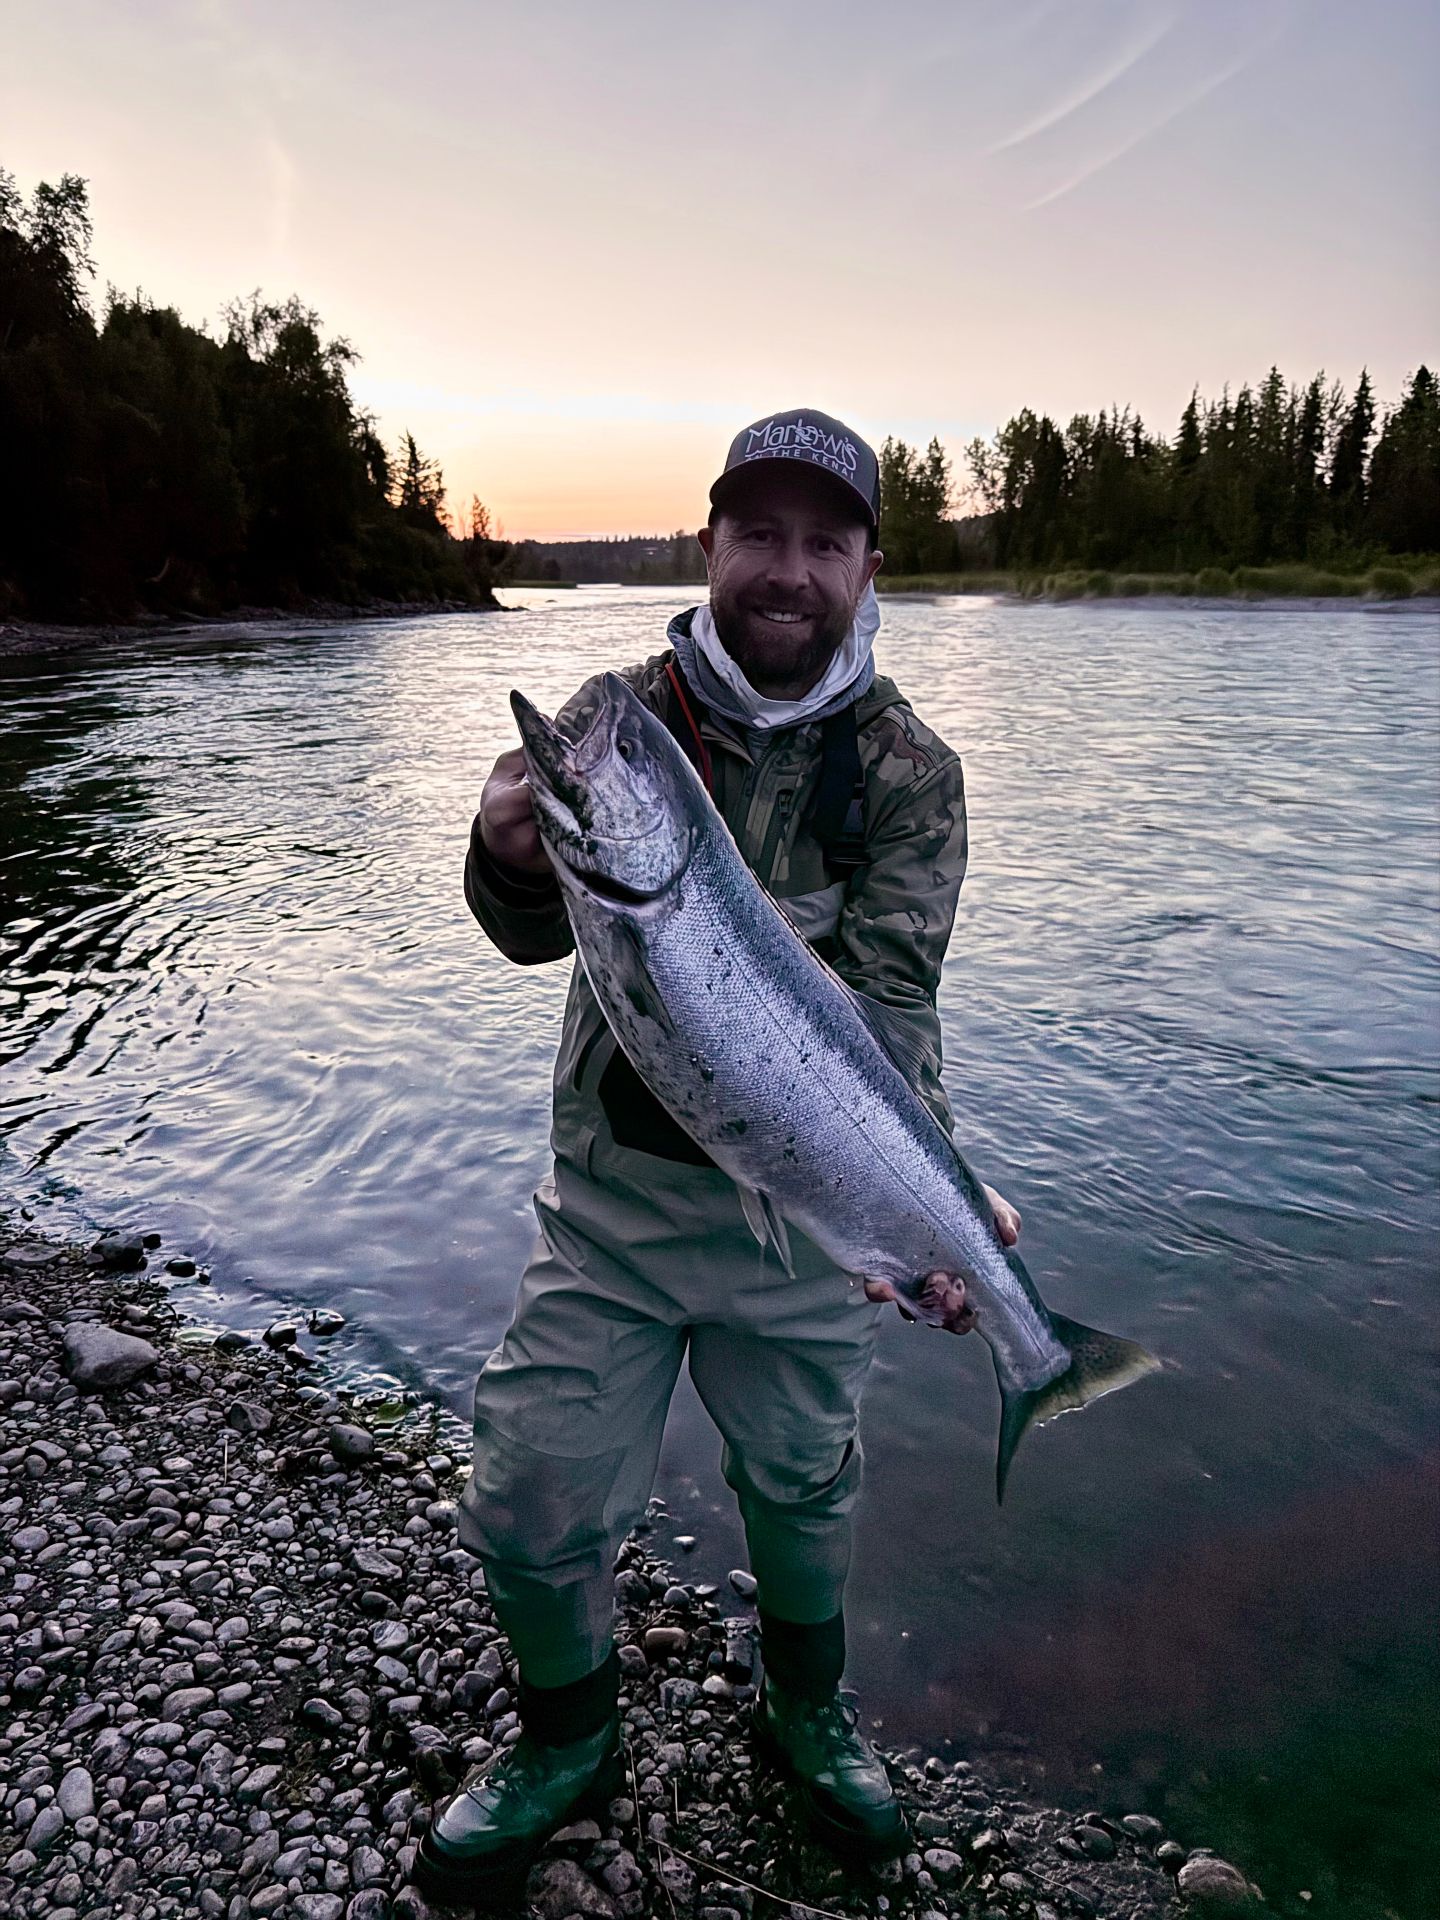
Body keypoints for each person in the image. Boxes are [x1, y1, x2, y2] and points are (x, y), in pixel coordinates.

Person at [414, 408, 1021, 1904]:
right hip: (610, 1217)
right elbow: (530, 931)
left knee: (807, 1484)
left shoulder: (908, 774)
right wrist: (502, 856)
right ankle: (568, 1743)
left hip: (810, 1227)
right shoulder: (619, 714)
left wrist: (934, 1203)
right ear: (712, 544)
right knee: (532, 1490)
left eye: (826, 542)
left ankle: (806, 1714)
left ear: (872, 568)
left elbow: (889, 1008)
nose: (788, 571)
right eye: (761, 534)